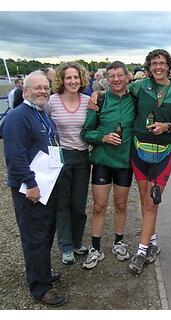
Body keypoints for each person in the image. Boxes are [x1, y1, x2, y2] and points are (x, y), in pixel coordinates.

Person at [0, 71, 66, 306]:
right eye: (37, 87)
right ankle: (39, 288)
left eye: (46, 87)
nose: (42, 91)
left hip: (46, 185)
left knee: (46, 232)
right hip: (31, 189)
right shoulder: (18, 117)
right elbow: (15, 155)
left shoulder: (41, 113)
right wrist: (30, 183)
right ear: (25, 90)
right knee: (34, 238)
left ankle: (43, 273)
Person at [127, 49, 171, 275]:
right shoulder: (139, 86)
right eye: (154, 63)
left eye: (162, 63)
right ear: (149, 66)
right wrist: (98, 96)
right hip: (139, 149)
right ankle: (152, 243)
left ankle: (141, 251)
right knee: (145, 200)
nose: (158, 67)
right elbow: (118, 93)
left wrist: (166, 127)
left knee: (153, 202)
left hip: (163, 152)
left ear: (169, 66)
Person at [81, 61, 135, 269]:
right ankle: (95, 248)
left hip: (124, 162)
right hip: (103, 161)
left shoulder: (135, 98)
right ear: (106, 79)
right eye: (111, 76)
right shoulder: (100, 100)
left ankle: (119, 242)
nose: (116, 79)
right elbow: (85, 133)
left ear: (128, 76)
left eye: (120, 75)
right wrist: (102, 137)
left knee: (121, 204)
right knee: (99, 206)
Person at [46, 62, 91, 265]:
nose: (72, 81)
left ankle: (76, 241)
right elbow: (43, 126)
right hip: (61, 156)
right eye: (68, 78)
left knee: (79, 204)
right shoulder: (52, 102)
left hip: (82, 156)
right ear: (61, 81)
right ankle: (65, 246)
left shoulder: (89, 101)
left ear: (81, 79)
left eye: (76, 77)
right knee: (62, 203)